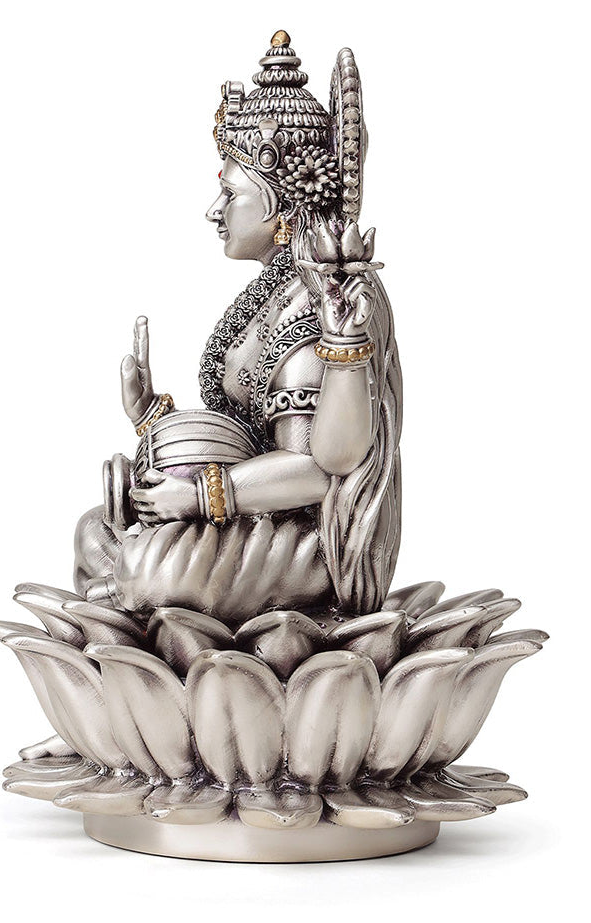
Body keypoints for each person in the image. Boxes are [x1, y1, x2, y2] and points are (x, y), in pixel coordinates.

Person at [75, 32, 402, 623]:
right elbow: (241, 436)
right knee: (95, 530)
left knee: (148, 568)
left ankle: (149, 608)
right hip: (247, 512)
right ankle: (142, 605)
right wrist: (151, 418)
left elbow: (317, 469)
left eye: (230, 192)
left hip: (302, 538)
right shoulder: (270, 292)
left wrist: (199, 497)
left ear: (275, 204)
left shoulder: (319, 305)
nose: (214, 209)